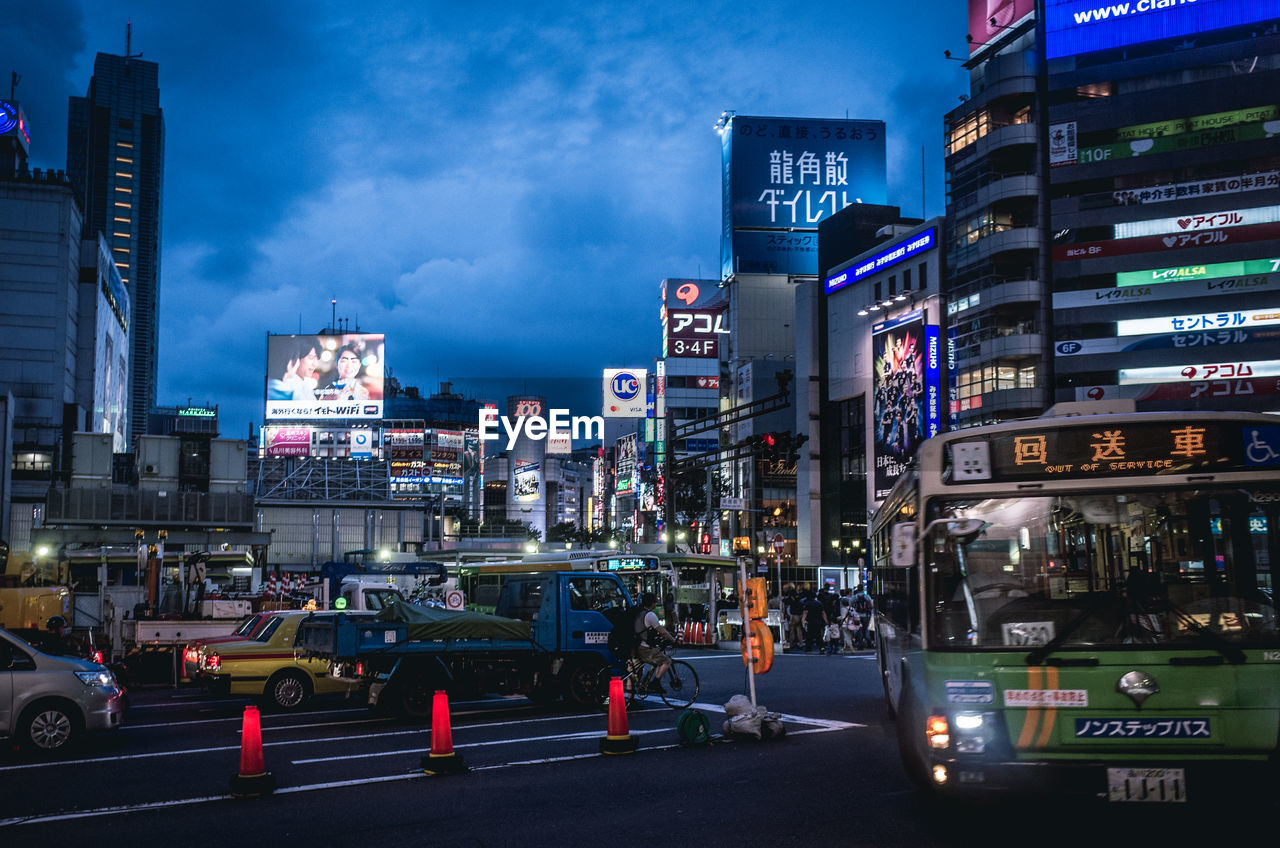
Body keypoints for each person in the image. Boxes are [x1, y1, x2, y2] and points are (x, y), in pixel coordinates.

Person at [635, 591, 678, 693]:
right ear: (652, 603)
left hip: (635, 646)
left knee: (634, 674)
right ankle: (655, 683)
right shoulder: (650, 615)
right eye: (655, 601)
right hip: (644, 648)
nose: (656, 604)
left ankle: (631, 700)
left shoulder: (638, 612)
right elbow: (662, 631)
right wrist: (673, 640)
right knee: (666, 661)